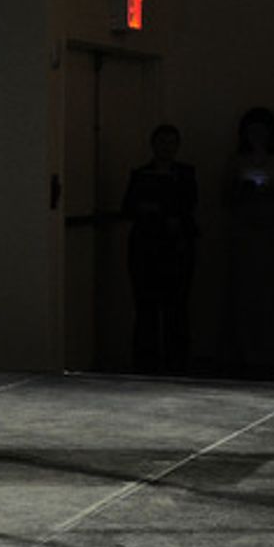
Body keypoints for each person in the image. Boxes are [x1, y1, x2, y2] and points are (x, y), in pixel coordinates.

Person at [121, 123, 197, 373]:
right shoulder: (141, 175)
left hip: (175, 248)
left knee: (176, 308)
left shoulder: (185, 174)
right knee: (146, 308)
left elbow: (190, 206)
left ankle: (176, 363)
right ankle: (146, 363)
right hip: (146, 248)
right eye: (162, 142)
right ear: (153, 145)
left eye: (171, 142)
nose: (166, 147)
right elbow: (128, 208)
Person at [222, 106, 274, 379]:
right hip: (245, 237)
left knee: (273, 296)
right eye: (252, 131)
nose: (257, 136)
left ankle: (273, 354)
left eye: (262, 131)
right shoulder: (236, 162)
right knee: (245, 296)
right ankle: (247, 354)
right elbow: (225, 199)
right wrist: (243, 190)